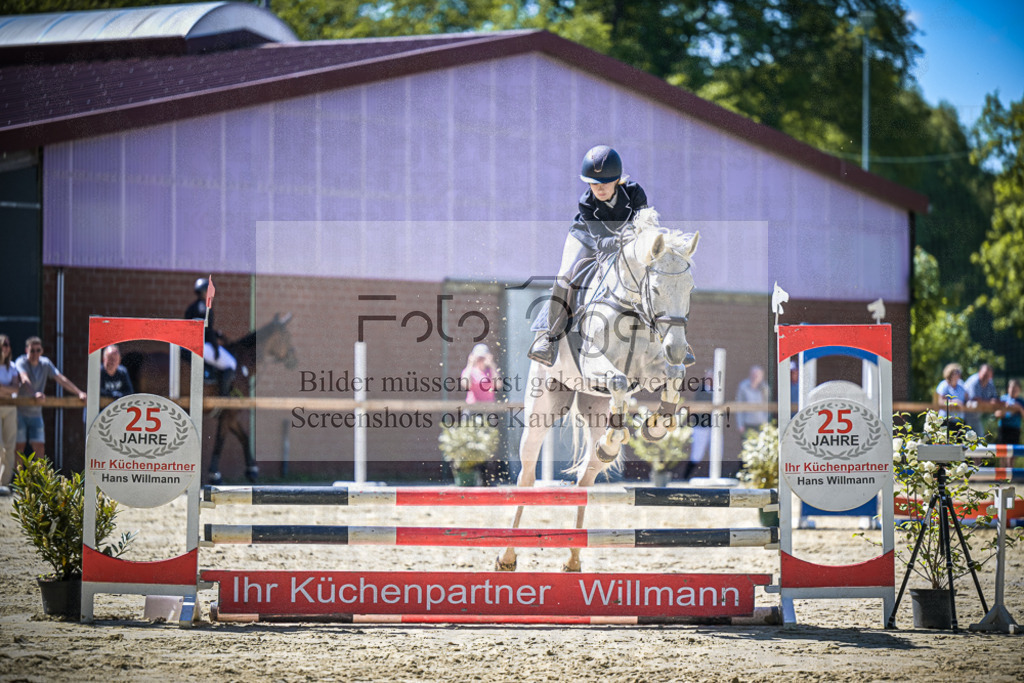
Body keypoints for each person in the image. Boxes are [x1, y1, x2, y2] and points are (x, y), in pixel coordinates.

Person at [528, 145, 649, 366]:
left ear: (617, 180)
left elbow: (645, 225)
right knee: (566, 275)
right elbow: (601, 243)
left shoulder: (635, 193)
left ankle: (670, 336)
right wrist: (624, 239)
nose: (599, 189)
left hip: (625, 243)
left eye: (605, 183)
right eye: (593, 183)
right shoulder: (586, 202)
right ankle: (549, 338)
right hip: (586, 237)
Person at [14, 336, 87, 462]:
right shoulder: (21, 362)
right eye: (32, 350)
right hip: (19, 412)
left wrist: (79, 393)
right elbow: (24, 379)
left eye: (38, 350)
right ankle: (18, 475)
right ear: (26, 350)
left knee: (39, 447)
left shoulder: (45, 363)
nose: (35, 354)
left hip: (36, 413)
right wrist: (34, 394)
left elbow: (61, 379)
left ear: (42, 351)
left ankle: (40, 474)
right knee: (19, 448)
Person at [185, 278, 237, 396]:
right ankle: (224, 396)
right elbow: (207, 331)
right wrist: (215, 347)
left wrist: (218, 334)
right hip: (201, 345)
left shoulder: (192, 307)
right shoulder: (205, 308)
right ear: (204, 292)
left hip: (188, 344)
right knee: (231, 363)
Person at [680, 368, 714, 481]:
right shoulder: (701, 390)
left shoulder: (717, 391)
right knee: (697, 453)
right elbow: (702, 405)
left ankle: (715, 476)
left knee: (716, 451)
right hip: (701, 425)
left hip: (714, 426)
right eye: (708, 377)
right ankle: (686, 476)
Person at [0, 334, 22, 494]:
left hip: (10, 408)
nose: (6, 348)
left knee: (9, 446)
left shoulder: (12, 367)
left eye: (8, 345)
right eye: (3, 344)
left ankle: (4, 483)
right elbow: (11, 389)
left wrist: (2, 388)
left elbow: (16, 389)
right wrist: (8, 390)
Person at [963, 362, 999, 436]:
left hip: (977, 417)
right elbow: (976, 400)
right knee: (966, 438)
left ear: (991, 375)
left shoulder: (990, 382)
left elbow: (995, 399)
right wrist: (989, 402)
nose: (986, 377)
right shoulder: (974, 381)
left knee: (980, 439)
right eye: (985, 374)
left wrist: (990, 402)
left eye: (988, 375)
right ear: (979, 372)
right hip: (965, 416)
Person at [736, 365, 770, 434]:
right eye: (754, 374)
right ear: (750, 375)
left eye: (758, 375)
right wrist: (740, 425)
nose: (755, 377)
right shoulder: (743, 387)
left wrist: (767, 423)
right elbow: (739, 406)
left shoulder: (765, 388)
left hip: (761, 423)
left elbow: (768, 405)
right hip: (747, 423)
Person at [995, 379, 1023, 445]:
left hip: (1015, 430)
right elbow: (996, 414)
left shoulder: (1021, 401)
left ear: (1019, 390)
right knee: (1002, 449)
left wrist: (1019, 408)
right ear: (1008, 388)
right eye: (1012, 388)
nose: (1013, 390)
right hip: (1003, 429)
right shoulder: (1003, 399)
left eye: (1015, 389)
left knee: (1014, 450)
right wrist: (1006, 409)